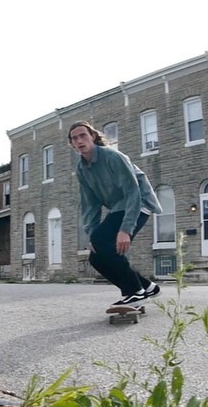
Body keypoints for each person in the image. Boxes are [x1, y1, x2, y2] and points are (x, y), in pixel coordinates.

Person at [68, 120, 162, 307]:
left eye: (83, 135)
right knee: (96, 257)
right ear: (72, 144)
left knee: (105, 244)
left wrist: (126, 229)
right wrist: (93, 235)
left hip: (139, 203)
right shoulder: (81, 169)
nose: (79, 140)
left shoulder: (112, 156)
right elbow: (90, 203)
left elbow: (132, 191)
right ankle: (147, 287)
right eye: (75, 138)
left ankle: (135, 292)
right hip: (119, 207)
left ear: (93, 136)